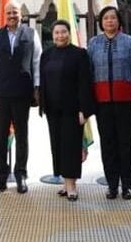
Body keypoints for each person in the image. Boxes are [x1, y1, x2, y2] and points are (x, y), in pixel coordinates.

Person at [87, 6, 131, 200]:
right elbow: (89, 72)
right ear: (101, 22)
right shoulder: (94, 43)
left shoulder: (129, 42)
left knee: (127, 143)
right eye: (106, 18)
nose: (110, 21)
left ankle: (127, 184)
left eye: (113, 18)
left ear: (119, 21)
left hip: (127, 102)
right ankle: (112, 184)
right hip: (102, 102)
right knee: (108, 144)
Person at [0, 0, 41, 195]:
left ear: (21, 14)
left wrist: (37, 87)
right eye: (8, 13)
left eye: (15, 12)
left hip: (22, 93)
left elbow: (37, 62)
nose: (12, 16)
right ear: (4, 15)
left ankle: (21, 175)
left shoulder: (31, 34)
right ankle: (1, 178)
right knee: (0, 136)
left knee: (22, 136)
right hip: (1, 93)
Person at [39, 19, 96, 201]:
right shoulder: (46, 55)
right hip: (52, 109)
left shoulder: (79, 54)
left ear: (69, 33)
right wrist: (42, 105)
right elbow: (43, 81)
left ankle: (71, 185)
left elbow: (84, 83)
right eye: (56, 32)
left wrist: (84, 110)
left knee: (71, 147)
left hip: (72, 110)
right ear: (52, 34)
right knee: (57, 146)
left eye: (63, 32)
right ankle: (64, 182)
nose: (60, 35)